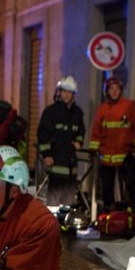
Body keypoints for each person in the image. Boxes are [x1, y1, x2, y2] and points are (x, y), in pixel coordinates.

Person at [88, 76, 135, 210]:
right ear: (106, 91)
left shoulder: (130, 106)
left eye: (117, 89)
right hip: (107, 155)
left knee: (131, 182)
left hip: (126, 152)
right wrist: (94, 149)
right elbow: (96, 129)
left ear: (121, 91)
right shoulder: (102, 109)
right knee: (107, 185)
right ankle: (109, 210)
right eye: (111, 89)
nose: (114, 91)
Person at [37, 75, 86, 209]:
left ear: (73, 94)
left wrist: (79, 142)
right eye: (64, 91)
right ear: (59, 92)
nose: (66, 95)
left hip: (70, 165)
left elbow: (81, 131)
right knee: (54, 198)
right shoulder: (51, 112)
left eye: (69, 92)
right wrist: (46, 155)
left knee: (69, 198)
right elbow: (43, 134)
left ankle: (65, 223)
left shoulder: (77, 113)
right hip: (56, 161)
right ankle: (52, 224)